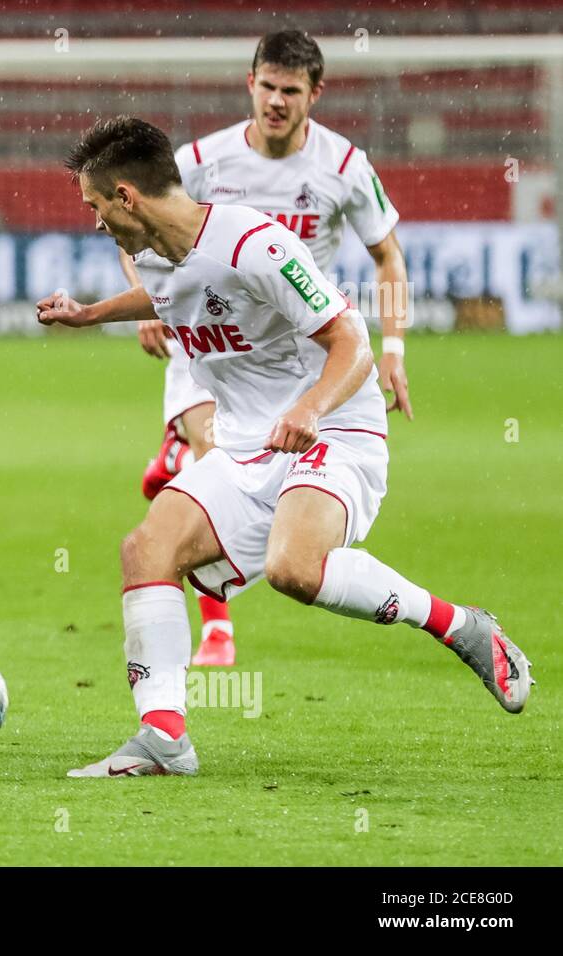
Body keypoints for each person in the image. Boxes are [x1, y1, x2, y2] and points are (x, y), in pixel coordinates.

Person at [37, 117, 531, 778]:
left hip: (333, 431)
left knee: (297, 568)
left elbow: (350, 340)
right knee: (147, 548)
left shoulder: (254, 245)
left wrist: (308, 408)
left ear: (127, 196)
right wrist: (91, 314)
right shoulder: (158, 253)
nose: (95, 222)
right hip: (249, 445)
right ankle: (163, 739)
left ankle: (459, 624)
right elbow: (165, 294)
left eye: (96, 206)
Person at [126, 30, 413, 666]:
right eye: (267, 86)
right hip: (210, 340)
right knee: (211, 458)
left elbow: (387, 256)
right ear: (249, 83)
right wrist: (149, 297)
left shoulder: (343, 167)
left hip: (291, 358)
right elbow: (130, 217)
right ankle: (217, 631)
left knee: (266, 515)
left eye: (290, 90)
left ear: (315, 94)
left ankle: (180, 470)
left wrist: (392, 347)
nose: (276, 101)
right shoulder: (202, 159)